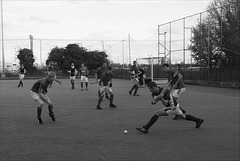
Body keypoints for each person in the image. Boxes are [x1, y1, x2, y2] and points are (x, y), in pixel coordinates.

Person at [136, 81, 204, 134]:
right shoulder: (154, 93)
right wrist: (158, 98)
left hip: (173, 106)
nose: (149, 90)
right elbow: (155, 98)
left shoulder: (166, 91)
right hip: (174, 107)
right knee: (183, 117)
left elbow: (166, 103)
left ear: (153, 88)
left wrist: (161, 97)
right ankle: (198, 120)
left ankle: (146, 128)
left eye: (149, 89)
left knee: (157, 113)